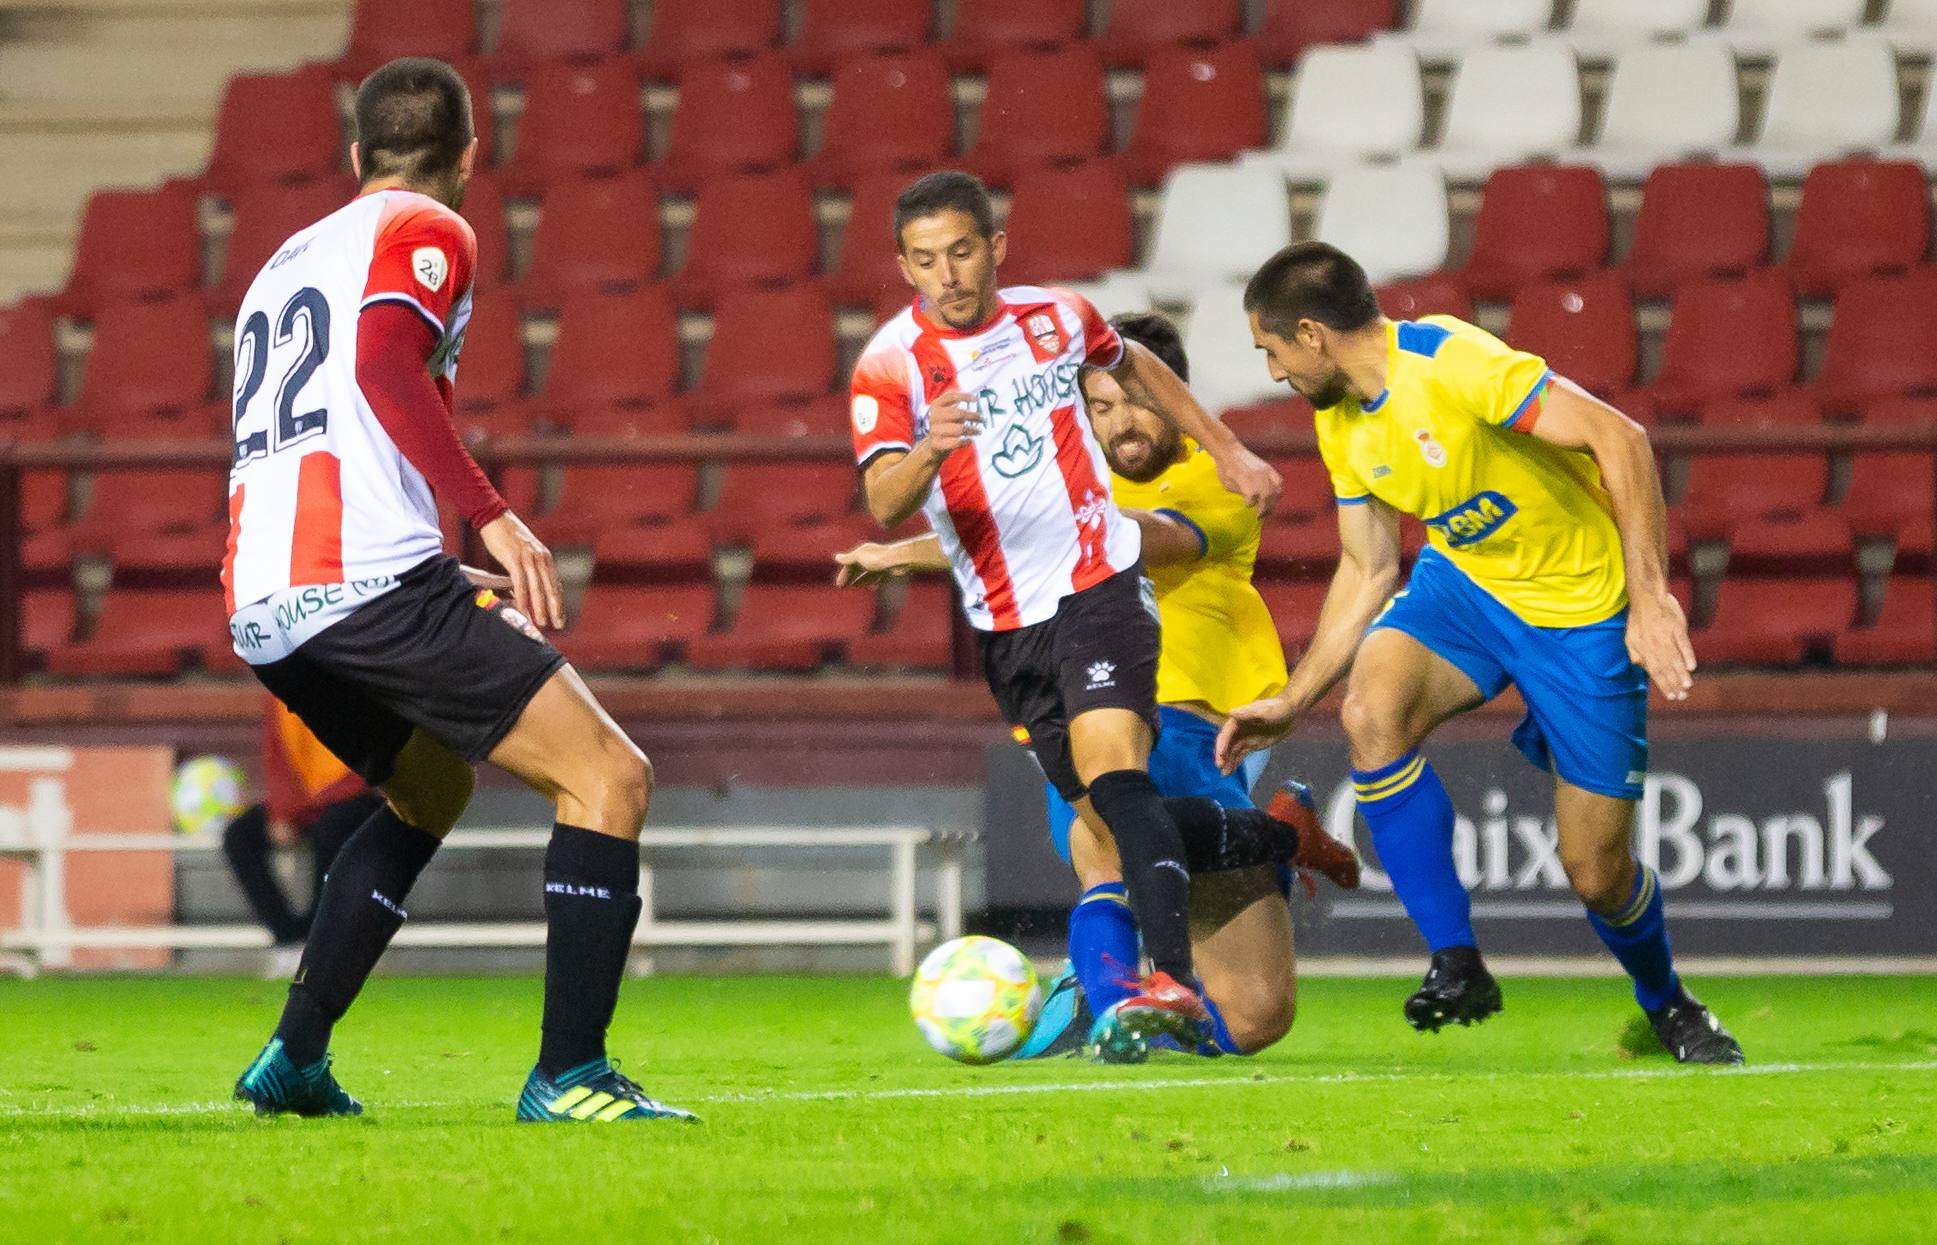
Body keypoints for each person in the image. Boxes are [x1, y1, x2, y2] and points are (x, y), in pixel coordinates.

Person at [223, 57, 694, 1121]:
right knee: (609, 779)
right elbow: (386, 368)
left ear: (355, 157)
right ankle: (569, 1075)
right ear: (471, 157)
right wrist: (491, 510)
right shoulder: (429, 229)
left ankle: (295, 1056)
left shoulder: (284, 261)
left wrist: (427, 554)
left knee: (428, 788)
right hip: (362, 583)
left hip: (265, 600)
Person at [1216, 242, 1743, 1064]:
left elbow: (1622, 438)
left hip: (1582, 611)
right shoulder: (1338, 419)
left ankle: (1668, 1001)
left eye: (1272, 350)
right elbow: (1366, 565)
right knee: (1369, 710)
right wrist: (1293, 698)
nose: (1275, 371)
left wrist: (1649, 597)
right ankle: (1455, 959)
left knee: (1595, 871)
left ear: (1311, 335)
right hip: (1465, 588)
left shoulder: (1454, 362)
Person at [846, 170, 1303, 1053]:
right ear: (904, 267)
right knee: (1105, 812)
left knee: (1114, 781)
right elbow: (882, 497)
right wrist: (930, 453)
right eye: (927, 259)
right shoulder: (888, 365)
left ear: (996, 247)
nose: (948, 274)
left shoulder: (1053, 320)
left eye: (963, 250)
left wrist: (1231, 447)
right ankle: (1255, 846)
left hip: (1099, 586)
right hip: (1009, 628)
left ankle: (1153, 982)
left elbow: (1131, 359)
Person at [220, 699, 384, 976]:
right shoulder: (279, 689)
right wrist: (282, 813)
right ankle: (287, 937)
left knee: (333, 830)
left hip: (358, 793)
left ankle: (320, 942)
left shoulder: (350, 673)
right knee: (239, 836)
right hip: (306, 800)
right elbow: (278, 754)